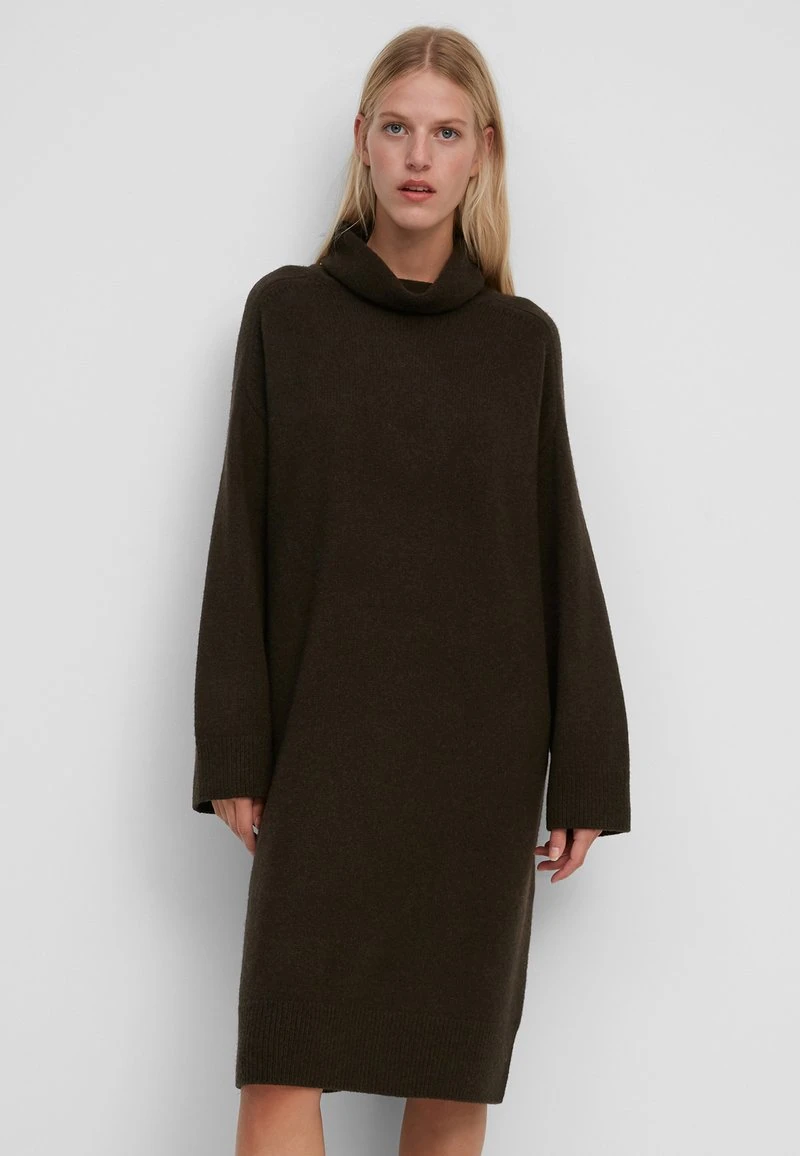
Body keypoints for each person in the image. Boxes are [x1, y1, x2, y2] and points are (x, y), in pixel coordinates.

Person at [192, 23, 631, 1156]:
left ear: (482, 150)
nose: (418, 156)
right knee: (281, 1063)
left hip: (476, 765)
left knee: (447, 1076)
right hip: (325, 747)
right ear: (362, 141)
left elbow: (557, 549)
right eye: (397, 128)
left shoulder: (519, 342)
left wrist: (586, 763)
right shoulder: (286, 315)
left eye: (444, 132)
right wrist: (235, 748)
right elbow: (242, 534)